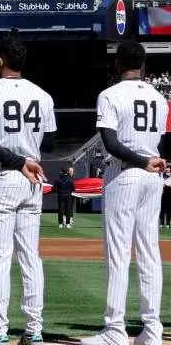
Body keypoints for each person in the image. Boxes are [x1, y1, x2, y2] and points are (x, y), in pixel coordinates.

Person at [0, 32, 57, 345]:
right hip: (32, 178)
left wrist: (17, 159)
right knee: (31, 257)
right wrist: (26, 151)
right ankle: (33, 330)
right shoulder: (43, 95)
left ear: (1, 59)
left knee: (0, 259)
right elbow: (50, 142)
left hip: (4, 176)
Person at [80, 41, 167, 345]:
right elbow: (163, 141)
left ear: (117, 64)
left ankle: (115, 329)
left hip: (125, 172)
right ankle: (153, 329)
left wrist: (143, 160)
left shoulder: (109, 95)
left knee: (118, 253)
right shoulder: (159, 97)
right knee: (149, 252)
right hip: (153, 175)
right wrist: (151, 160)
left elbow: (111, 144)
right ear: (143, 65)